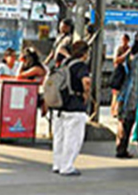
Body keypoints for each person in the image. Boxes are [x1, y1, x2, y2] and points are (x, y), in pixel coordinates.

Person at [52, 41, 91, 177]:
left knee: (59, 138)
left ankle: (57, 164)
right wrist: (87, 94)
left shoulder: (65, 63)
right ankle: (67, 166)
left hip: (60, 106)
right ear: (85, 53)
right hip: (75, 107)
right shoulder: (81, 66)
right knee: (73, 138)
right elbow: (86, 81)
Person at [111, 33, 131, 117]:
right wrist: (125, 54)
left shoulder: (129, 49)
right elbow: (115, 60)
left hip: (127, 73)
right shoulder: (119, 49)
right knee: (115, 93)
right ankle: (113, 110)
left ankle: (119, 109)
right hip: (119, 72)